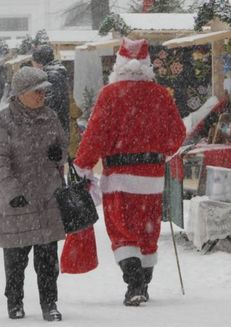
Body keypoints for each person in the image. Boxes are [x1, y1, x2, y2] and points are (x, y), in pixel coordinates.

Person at [73, 38, 186, 306]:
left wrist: (84, 163)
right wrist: (162, 152)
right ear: (147, 66)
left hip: (120, 175)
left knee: (122, 230)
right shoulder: (160, 94)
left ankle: (134, 282)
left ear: (119, 66)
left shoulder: (110, 94)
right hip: (152, 176)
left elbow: (95, 134)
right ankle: (143, 282)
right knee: (148, 230)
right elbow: (178, 134)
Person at [0, 66, 68, 321]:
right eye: (37, 92)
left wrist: (60, 154)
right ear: (21, 93)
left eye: (44, 91)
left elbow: (63, 147)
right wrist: (13, 192)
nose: (42, 96)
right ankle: (14, 301)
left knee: (47, 259)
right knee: (16, 258)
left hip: (47, 197)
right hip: (17, 201)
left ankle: (50, 303)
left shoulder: (51, 116)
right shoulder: (3, 121)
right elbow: (0, 162)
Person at [31, 46, 70, 136]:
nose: (33, 67)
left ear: (40, 63)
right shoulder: (56, 74)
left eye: (33, 63)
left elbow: (48, 105)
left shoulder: (50, 78)